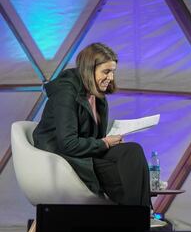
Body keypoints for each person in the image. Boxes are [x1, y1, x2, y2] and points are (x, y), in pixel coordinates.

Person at [33, 43, 158, 218]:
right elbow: (67, 143)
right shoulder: (66, 92)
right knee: (123, 178)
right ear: (89, 69)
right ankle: (139, 219)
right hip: (61, 155)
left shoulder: (97, 95)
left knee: (132, 150)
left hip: (84, 151)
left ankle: (138, 217)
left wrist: (107, 141)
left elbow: (96, 137)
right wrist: (105, 142)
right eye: (106, 72)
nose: (111, 77)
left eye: (113, 71)